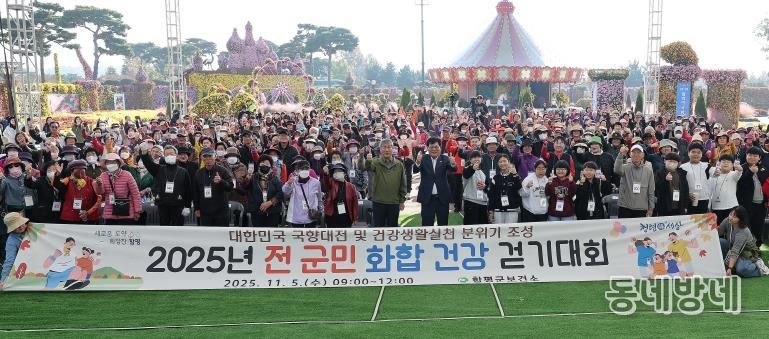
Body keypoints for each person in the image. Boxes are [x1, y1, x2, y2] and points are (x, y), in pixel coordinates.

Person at [142, 144, 193, 226]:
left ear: (176, 156)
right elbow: (148, 163)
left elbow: (188, 189)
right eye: (167, 154)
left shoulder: (183, 171)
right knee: (164, 229)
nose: (169, 156)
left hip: (178, 206)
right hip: (163, 205)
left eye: (171, 154)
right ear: (164, 156)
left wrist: (187, 206)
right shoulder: (158, 169)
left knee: (178, 229)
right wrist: (144, 152)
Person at [360, 139, 407, 227]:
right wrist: (365, 158)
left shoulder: (399, 164)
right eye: (384, 147)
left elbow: (403, 184)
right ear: (380, 149)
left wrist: (402, 201)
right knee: (378, 229)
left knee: (392, 229)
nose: (386, 150)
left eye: (389, 147)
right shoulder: (375, 162)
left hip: (394, 202)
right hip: (378, 202)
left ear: (392, 149)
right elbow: (364, 167)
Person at [414, 137, 457, 226]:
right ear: (427, 148)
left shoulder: (445, 159)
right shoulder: (423, 158)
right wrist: (417, 162)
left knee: (443, 224)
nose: (434, 149)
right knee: (426, 225)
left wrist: (453, 163)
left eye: (436, 147)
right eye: (431, 147)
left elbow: (454, 169)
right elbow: (415, 170)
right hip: (427, 198)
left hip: (442, 198)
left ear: (440, 148)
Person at [717, 206, 769, 277]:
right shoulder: (727, 220)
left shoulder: (743, 231)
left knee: (741, 270)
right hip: (733, 248)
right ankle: (732, 265)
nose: (731, 217)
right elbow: (718, 232)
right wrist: (712, 225)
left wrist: (730, 268)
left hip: (747, 253)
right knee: (721, 241)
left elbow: (735, 251)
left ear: (740, 220)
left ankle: (760, 267)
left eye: (735, 217)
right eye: (731, 214)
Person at [95, 153, 142, 225]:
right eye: (108, 162)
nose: (111, 164)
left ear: (118, 163)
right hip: (110, 213)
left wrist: (137, 211)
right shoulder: (103, 175)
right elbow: (100, 192)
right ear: (106, 164)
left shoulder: (127, 174)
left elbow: (135, 193)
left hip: (126, 212)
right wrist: (99, 184)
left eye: (113, 162)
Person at [736, 146, 769, 247]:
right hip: (746, 205)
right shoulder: (741, 168)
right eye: (750, 155)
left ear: (759, 157)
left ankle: (757, 249)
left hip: (761, 205)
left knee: (758, 228)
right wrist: (750, 172)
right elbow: (741, 185)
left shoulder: (764, 169)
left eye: (755, 155)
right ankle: (745, 249)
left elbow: (767, 186)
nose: (752, 157)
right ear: (746, 156)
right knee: (746, 227)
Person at [193, 147, 234, 226]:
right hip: (205, 212)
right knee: (206, 236)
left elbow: (230, 187)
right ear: (202, 158)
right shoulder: (199, 173)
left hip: (221, 212)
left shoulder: (223, 170)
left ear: (214, 156)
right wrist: (196, 208)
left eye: (210, 156)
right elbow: (196, 192)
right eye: (205, 157)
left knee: (221, 235)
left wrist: (221, 181)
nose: (208, 159)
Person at [614, 144, 655, 218]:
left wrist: (651, 207)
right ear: (630, 154)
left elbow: (651, 190)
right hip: (625, 207)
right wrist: (620, 154)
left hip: (641, 208)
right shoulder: (625, 167)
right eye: (634, 152)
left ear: (643, 155)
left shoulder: (648, 171)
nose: (636, 154)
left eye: (638, 152)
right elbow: (616, 170)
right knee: (624, 229)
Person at [56, 160, 101, 224]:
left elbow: (99, 198)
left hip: (89, 218)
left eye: (83, 169)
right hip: (69, 218)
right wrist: (57, 176)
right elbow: (58, 185)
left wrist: (88, 212)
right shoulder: (67, 180)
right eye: (77, 169)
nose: (81, 171)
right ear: (71, 171)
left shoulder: (91, 181)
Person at [244, 155, 283, 227]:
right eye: (262, 163)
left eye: (267, 163)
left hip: (272, 212)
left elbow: (280, 193)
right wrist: (247, 179)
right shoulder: (253, 176)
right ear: (258, 165)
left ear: (271, 166)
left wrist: (270, 202)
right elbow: (245, 188)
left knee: (271, 233)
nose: (264, 165)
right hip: (256, 211)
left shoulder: (275, 178)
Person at [283, 157, 322, 228]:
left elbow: (319, 198)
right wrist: (288, 184)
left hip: (311, 217)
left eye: (306, 169)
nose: (304, 170)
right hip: (296, 218)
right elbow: (285, 192)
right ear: (297, 171)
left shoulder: (316, 183)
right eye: (302, 169)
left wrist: (321, 210)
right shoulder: (293, 181)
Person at [487, 154, 522, 224]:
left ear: (508, 162)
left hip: (512, 210)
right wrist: (491, 211)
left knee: (510, 232)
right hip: (498, 210)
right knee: (498, 232)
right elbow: (492, 195)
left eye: (504, 161)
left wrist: (515, 174)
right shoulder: (495, 178)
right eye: (500, 162)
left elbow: (519, 187)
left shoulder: (514, 176)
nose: (502, 163)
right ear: (498, 163)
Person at [0, 212, 31, 289]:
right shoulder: (11, 241)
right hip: (26, 266)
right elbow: (9, 260)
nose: (20, 227)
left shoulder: (34, 229)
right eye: (16, 226)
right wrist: (2, 280)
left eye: (21, 224)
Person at [679, 143, 712, 215]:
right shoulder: (683, 167)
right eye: (693, 152)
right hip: (690, 200)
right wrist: (687, 194)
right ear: (688, 153)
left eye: (698, 152)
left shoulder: (707, 166)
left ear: (702, 154)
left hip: (704, 199)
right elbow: (681, 185)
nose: (696, 154)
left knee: (702, 224)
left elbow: (714, 174)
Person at [324, 163, 359, 228]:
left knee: (345, 236)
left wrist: (355, 217)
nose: (337, 173)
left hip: (346, 216)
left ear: (344, 173)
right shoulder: (331, 183)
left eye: (339, 171)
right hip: (332, 216)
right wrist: (326, 174)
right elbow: (326, 182)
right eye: (335, 171)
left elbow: (355, 204)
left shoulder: (351, 187)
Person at [708, 155, 741, 224]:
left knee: (730, 228)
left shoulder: (733, 174)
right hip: (716, 207)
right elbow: (709, 191)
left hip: (731, 207)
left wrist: (739, 169)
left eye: (728, 162)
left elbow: (738, 173)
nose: (726, 163)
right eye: (723, 162)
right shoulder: (713, 175)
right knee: (718, 229)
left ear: (732, 165)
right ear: (719, 163)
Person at [461, 151, 489, 225]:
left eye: (478, 157)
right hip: (471, 202)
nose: (476, 159)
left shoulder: (483, 171)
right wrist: (473, 168)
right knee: (471, 227)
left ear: (481, 159)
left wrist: (484, 187)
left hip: (483, 203)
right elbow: (466, 174)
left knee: (483, 228)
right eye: (474, 157)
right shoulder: (467, 169)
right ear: (470, 160)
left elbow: (487, 187)